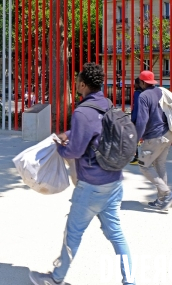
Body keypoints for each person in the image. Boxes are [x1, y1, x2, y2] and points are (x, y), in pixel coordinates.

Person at [29, 63, 134, 285]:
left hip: (91, 185)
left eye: (78, 81)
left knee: (73, 234)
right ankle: (130, 281)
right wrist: (69, 133)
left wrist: (59, 145)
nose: (76, 84)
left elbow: (75, 150)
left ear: (83, 84)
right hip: (114, 181)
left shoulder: (82, 112)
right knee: (116, 235)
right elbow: (95, 132)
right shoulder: (107, 104)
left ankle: (55, 279)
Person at [136, 70, 172, 211]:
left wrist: (136, 138)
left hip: (154, 137)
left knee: (144, 166)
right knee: (160, 165)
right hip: (167, 134)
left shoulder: (143, 96)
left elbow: (142, 120)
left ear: (142, 82)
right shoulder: (161, 92)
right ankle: (162, 200)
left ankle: (166, 193)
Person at [129, 77, 143, 165]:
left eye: (135, 83)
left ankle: (137, 157)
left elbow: (136, 107)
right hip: (146, 118)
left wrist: (132, 120)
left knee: (136, 138)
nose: (134, 85)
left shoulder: (137, 93)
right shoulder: (146, 92)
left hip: (137, 119)